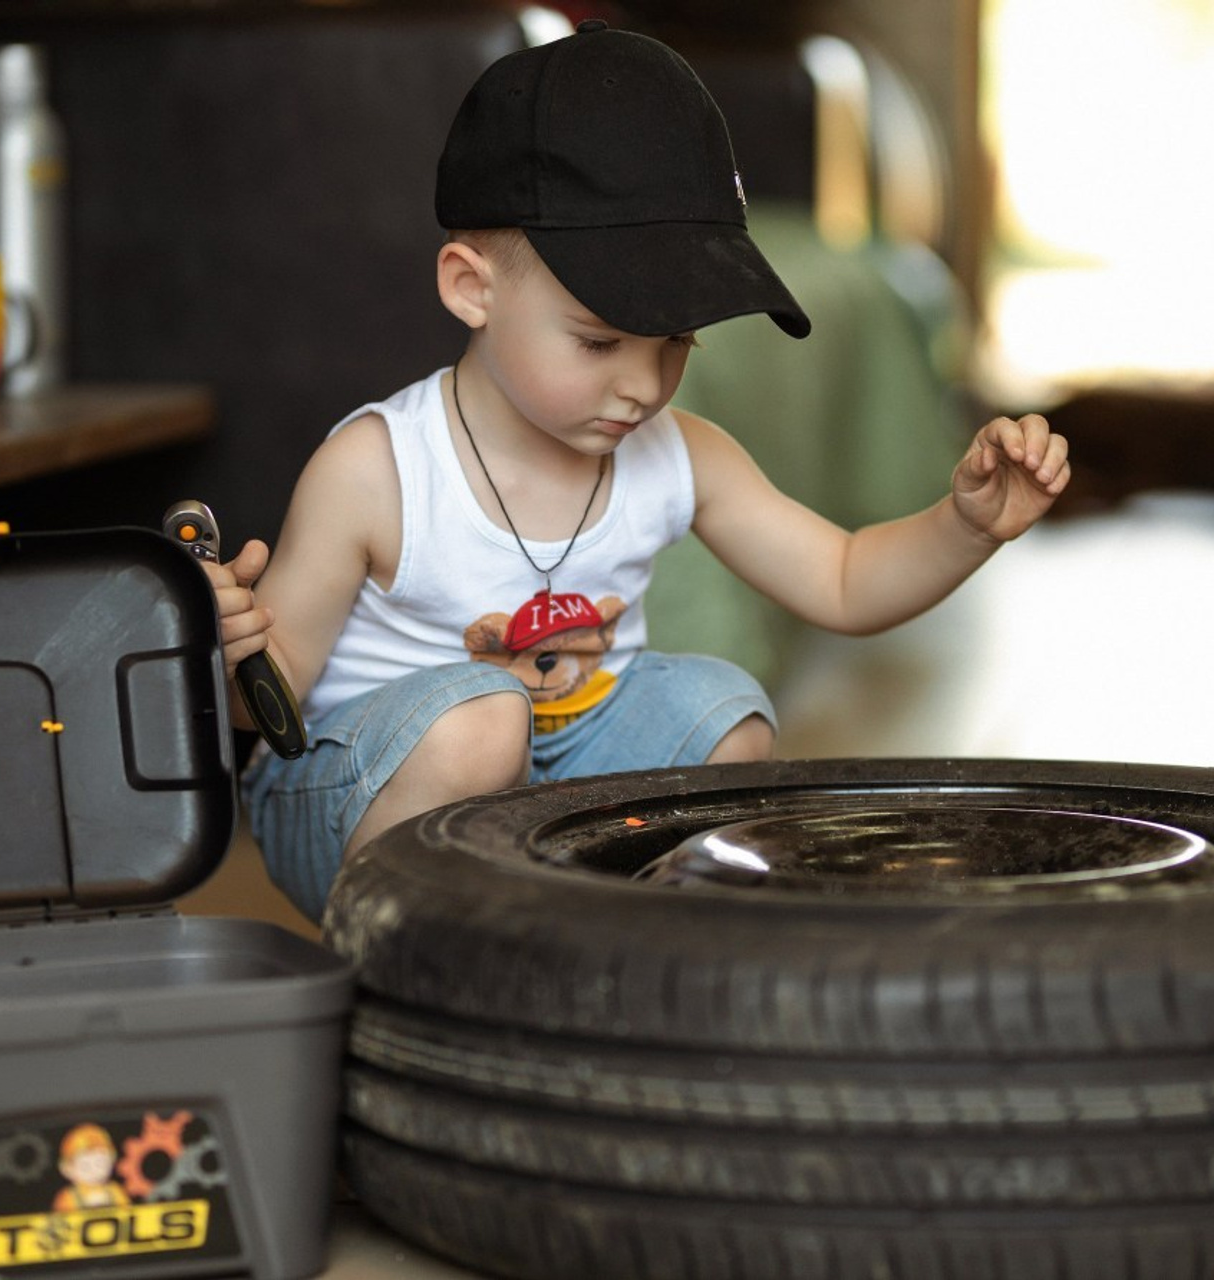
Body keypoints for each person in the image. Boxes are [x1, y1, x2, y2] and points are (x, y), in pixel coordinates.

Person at [205, 22, 1070, 923]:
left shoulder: (679, 452)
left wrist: (968, 526)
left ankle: (607, 938)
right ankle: (428, 953)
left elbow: (846, 582)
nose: (642, 385)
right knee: (482, 718)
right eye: (600, 340)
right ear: (471, 288)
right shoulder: (376, 469)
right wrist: (231, 654)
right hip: (355, 800)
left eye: (677, 342)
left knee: (722, 709)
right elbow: (267, 705)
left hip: (555, 780)